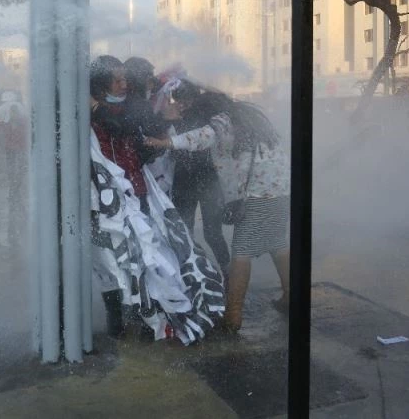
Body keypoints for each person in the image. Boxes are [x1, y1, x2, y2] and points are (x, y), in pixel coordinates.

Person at [145, 91, 290, 332]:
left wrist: (167, 142)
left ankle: (233, 315)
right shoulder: (252, 118)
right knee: (278, 243)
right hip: (281, 189)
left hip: (256, 195)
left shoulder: (221, 121)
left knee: (241, 252)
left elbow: (200, 137)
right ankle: (289, 296)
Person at [160, 80, 231, 274]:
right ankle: (198, 272)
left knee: (212, 233)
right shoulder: (172, 115)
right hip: (185, 179)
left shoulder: (207, 110)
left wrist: (195, 80)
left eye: (185, 99)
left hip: (208, 177)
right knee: (185, 230)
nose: (181, 103)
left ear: (194, 97)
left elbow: (224, 97)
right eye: (178, 99)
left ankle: (228, 272)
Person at [89, 55, 148, 213]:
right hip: (104, 192)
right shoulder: (87, 110)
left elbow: (121, 127)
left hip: (134, 186)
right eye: (118, 81)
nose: (124, 85)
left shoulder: (133, 104)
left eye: (125, 79)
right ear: (102, 85)